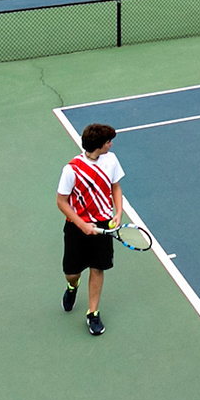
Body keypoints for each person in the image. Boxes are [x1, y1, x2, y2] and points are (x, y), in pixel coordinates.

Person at [57, 122, 124, 337]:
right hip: (77, 226)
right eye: (108, 142)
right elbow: (61, 202)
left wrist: (118, 212)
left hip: (103, 225)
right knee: (71, 272)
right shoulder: (72, 169)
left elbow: (115, 186)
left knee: (97, 268)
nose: (111, 145)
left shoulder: (111, 160)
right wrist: (82, 224)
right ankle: (72, 287)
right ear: (99, 145)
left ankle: (92, 312)